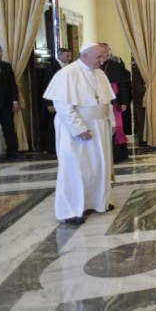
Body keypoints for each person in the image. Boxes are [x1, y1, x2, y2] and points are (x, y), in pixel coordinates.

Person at [44, 43, 116, 226]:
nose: (102, 61)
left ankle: (97, 203)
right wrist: (79, 128)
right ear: (84, 55)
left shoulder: (100, 74)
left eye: (104, 56)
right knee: (75, 169)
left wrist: (112, 122)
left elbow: (106, 102)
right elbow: (62, 105)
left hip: (99, 126)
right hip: (77, 130)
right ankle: (70, 211)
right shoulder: (67, 74)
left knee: (98, 167)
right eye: (99, 57)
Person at [100, 43, 132, 163]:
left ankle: (118, 155)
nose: (102, 55)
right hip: (98, 103)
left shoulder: (116, 66)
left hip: (114, 102)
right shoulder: (93, 66)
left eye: (104, 52)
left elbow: (122, 85)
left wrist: (124, 101)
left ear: (108, 52)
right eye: (100, 52)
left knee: (117, 126)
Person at [0, 43, 20, 160]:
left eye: (1, 51)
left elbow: (12, 84)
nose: (0, 54)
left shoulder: (6, 66)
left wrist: (15, 100)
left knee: (9, 128)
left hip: (6, 103)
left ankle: (12, 152)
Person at [42, 47, 72, 156]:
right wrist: (49, 104)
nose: (70, 58)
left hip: (64, 100)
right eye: (67, 56)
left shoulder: (68, 67)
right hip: (54, 102)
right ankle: (51, 148)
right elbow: (48, 86)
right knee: (53, 125)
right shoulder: (52, 68)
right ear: (60, 55)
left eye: (70, 56)